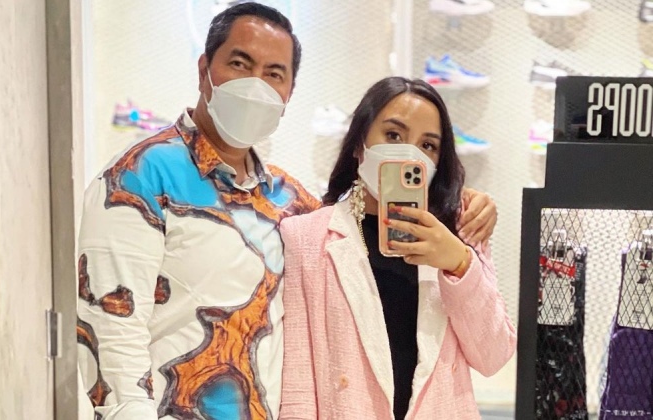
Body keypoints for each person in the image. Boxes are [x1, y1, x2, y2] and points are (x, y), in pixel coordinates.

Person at [76, 3, 498, 419]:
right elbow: (111, 329)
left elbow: (347, 228)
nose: (256, 85)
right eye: (240, 64)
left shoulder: (287, 199)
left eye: (274, 73)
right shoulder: (140, 177)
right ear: (204, 70)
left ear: (288, 93)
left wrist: (461, 201)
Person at [279, 77, 517, 420]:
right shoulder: (306, 237)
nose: (410, 154)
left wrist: (459, 263)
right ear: (359, 144)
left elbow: (493, 356)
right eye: (393, 135)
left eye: (428, 145)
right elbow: (298, 387)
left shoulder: (460, 232)